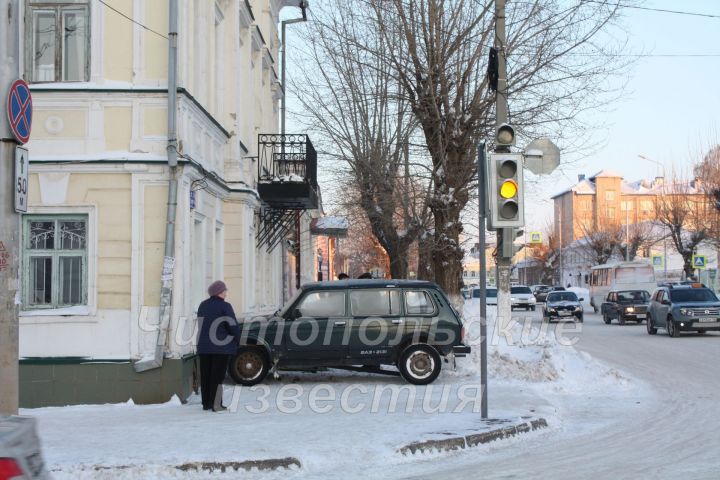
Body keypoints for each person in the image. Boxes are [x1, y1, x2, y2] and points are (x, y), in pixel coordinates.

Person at [196, 280, 239, 412]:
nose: (226, 293)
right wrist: (237, 339)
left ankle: (206, 403)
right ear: (219, 292)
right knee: (217, 377)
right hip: (221, 347)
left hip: (204, 347)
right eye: (225, 290)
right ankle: (216, 404)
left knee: (206, 375)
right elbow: (232, 326)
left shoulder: (202, 305)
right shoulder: (225, 306)